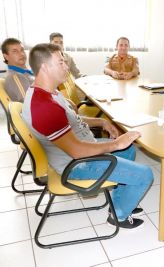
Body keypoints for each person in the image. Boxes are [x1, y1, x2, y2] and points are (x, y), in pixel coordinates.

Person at [22, 43, 153, 229]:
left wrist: (102, 122)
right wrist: (115, 144)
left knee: (128, 148)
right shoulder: (43, 106)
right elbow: (77, 151)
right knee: (145, 174)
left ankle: (119, 204)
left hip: (81, 147)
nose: (66, 66)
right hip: (76, 164)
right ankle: (119, 217)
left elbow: (71, 119)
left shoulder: (47, 92)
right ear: (44, 67)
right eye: (61, 62)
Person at [1, 38, 34, 102]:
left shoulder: (29, 72)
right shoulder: (15, 77)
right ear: (6, 56)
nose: (21, 54)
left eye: (22, 50)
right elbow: (29, 103)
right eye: (15, 51)